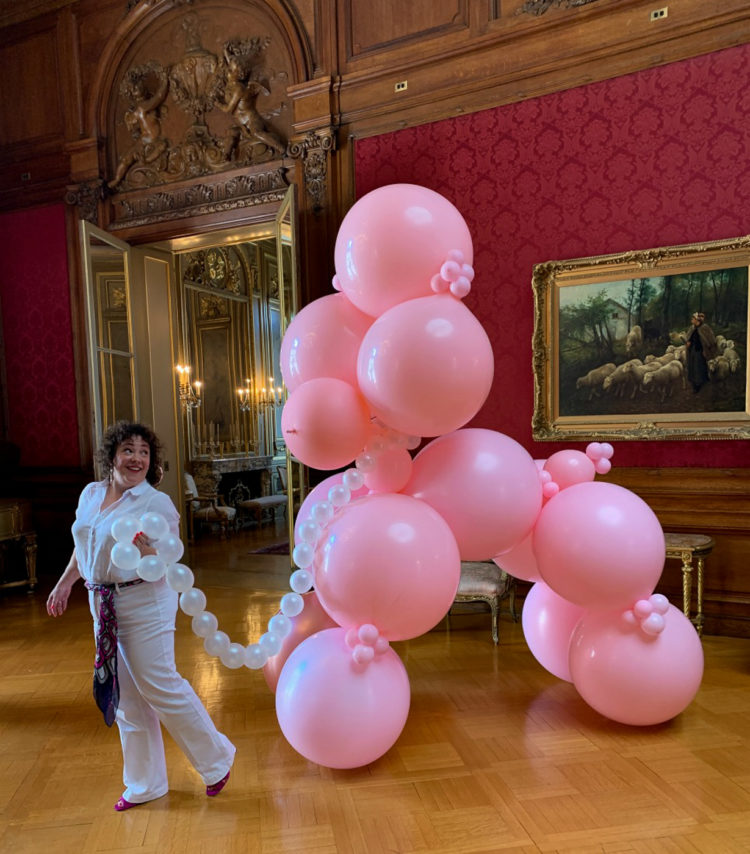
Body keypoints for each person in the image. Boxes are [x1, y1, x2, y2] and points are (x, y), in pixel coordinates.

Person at [47, 421, 235, 811]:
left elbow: (169, 559)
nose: (137, 458)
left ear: (152, 462)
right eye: (129, 450)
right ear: (112, 456)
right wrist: (65, 583)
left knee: (158, 682)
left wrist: (149, 551)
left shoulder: (155, 504)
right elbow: (84, 545)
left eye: (144, 453)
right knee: (126, 698)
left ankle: (217, 761)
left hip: (145, 599)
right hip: (101, 600)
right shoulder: (91, 493)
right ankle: (145, 784)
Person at [685, 311, 718, 392]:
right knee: (692, 366)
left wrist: (706, 348)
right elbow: (689, 337)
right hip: (692, 350)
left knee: (699, 367)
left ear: (697, 320)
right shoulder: (692, 328)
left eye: (693, 318)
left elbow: (711, 340)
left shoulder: (705, 328)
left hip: (701, 351)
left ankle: (698, 385)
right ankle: (694, 382)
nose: (692, 320)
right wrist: (688, 342)